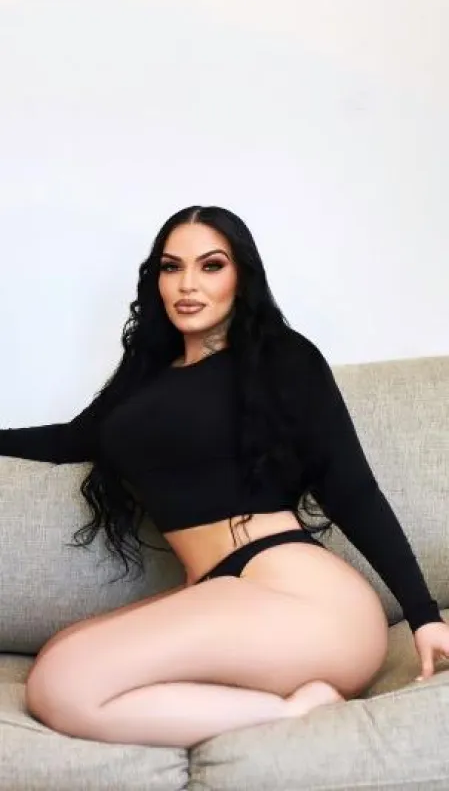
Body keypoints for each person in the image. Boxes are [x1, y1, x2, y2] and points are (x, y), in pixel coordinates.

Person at [1, 204, 448, 749]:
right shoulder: (144, 378)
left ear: (242, 275)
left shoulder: (282, 358)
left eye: (211, 265)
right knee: (60, 651)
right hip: (230, 594)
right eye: (171, 267)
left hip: (309, 605)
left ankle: (294, 711)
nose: (187, 284)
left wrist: (423, 615)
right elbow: (67, 441)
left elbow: (352, 489)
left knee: (62, 684)